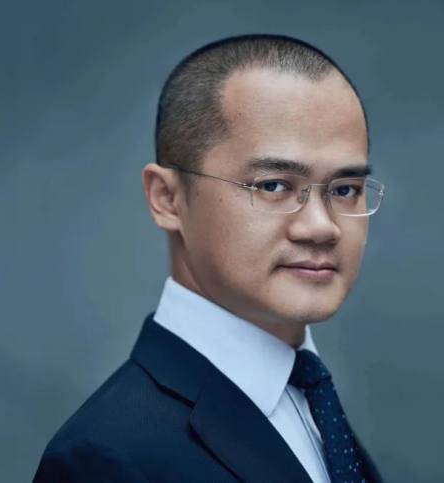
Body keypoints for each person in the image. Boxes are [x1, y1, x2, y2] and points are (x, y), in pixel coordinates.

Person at [33, 34, 386, 483]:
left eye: (345, 189)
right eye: (273, 186)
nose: (321, 227)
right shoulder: (105, 459)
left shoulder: (313, 401)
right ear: (167, 198)